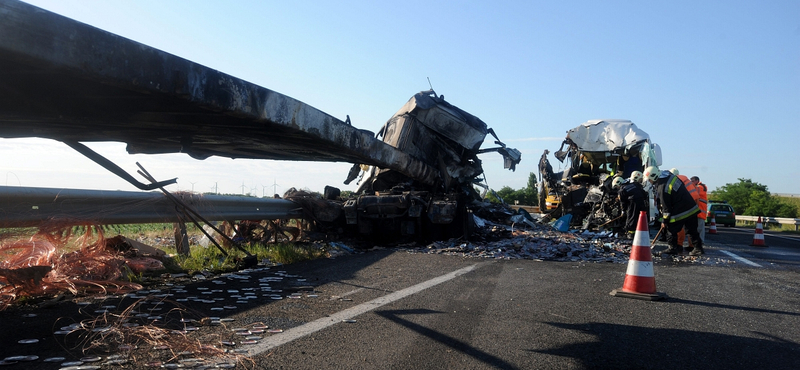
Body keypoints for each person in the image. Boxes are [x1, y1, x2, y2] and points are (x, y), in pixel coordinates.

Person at [644, 166, 704, 256]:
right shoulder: (669, 176)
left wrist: (664, 221)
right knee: (692, 230)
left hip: (681, 210)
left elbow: (666, 207)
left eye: (649, 180)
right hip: (691, 207)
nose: (649, 182)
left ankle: (672, 248)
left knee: (671, 228)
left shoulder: (662, 187)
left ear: (654, 177)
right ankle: (698, 249)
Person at [613, 172, 649, 239]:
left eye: (616, 186)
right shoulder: (633, 184)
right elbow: (644, 194)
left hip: (633, 203)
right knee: (641, 218)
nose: (617, 188)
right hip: (642, 202)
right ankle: (642, 233)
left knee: (631, 218)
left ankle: (631, 235)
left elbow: (623, 202)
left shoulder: (622, 190)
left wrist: (623, 211)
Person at [691, 176, 708, 243]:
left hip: (700, 211)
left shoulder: (699, 187)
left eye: (692, 181)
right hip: (699, 211)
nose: (691, 182)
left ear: (697, 181)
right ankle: (697, 242)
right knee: (698, 228)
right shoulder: (701, 187)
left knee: (700, 228)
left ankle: (700, 242)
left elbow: (693, 192)